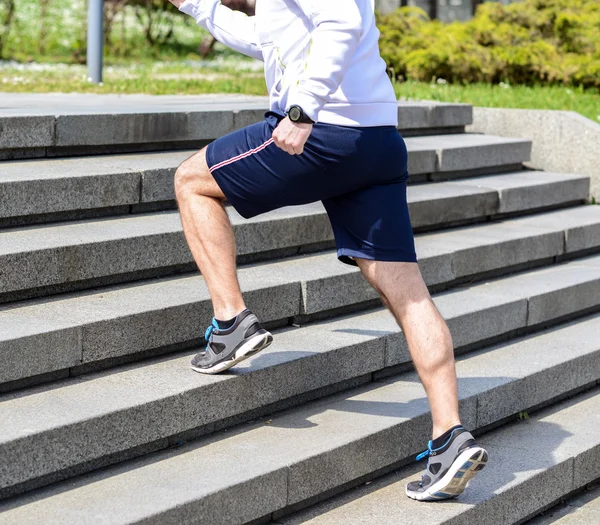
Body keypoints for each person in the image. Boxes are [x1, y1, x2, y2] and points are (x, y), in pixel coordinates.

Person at [168, 0, 488, 501]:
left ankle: (231, 323)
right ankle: (450, 437)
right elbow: (266, 36)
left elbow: (342, 20)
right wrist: (194, 5)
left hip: (323, 131)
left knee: (192, 181)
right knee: (410, 296)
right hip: (375, 140)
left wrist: (303, 109)